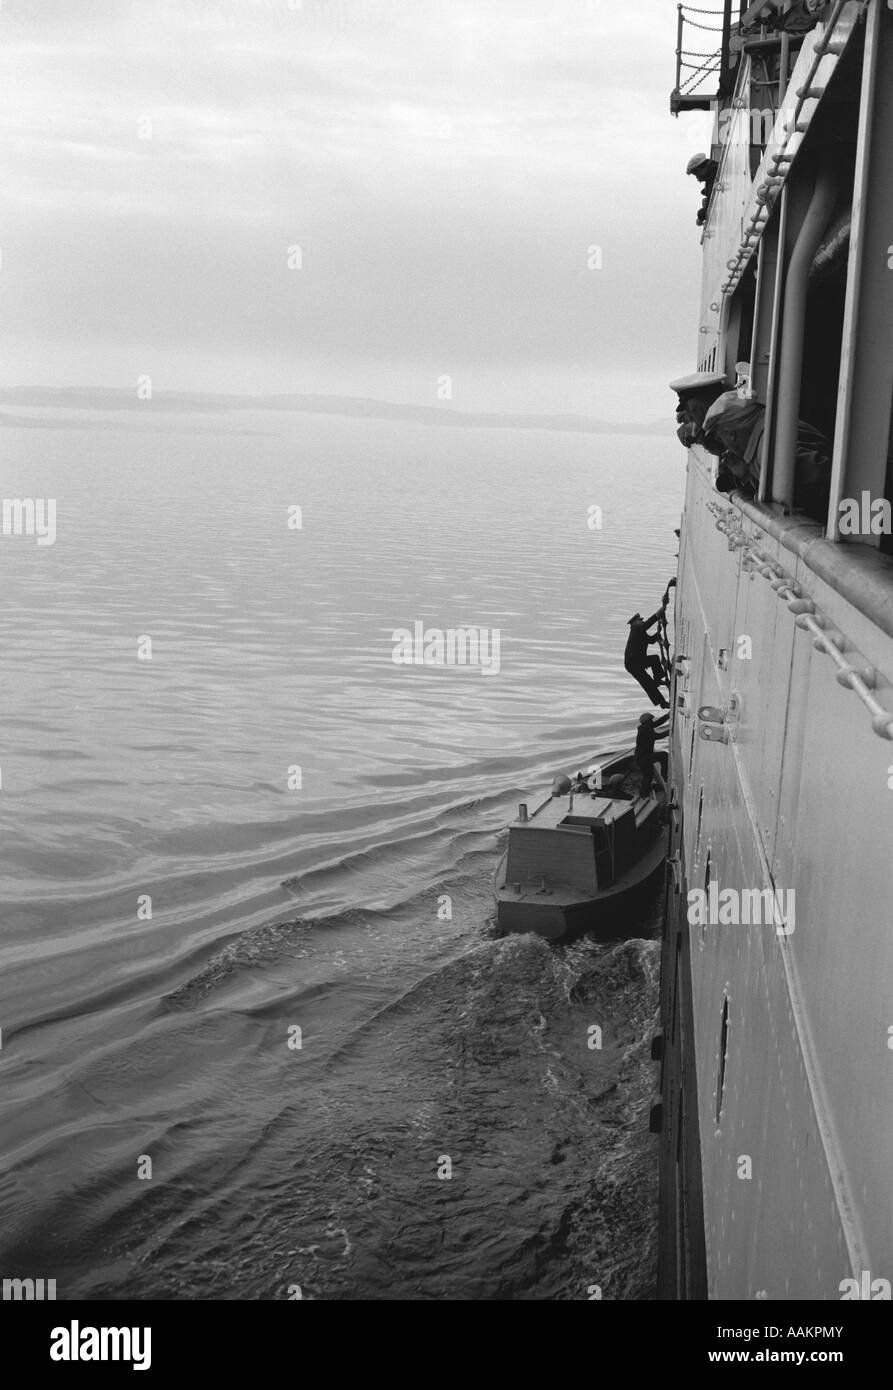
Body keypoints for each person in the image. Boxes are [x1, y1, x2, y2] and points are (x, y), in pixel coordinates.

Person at [625, 603, 670, 708]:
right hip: (633, 663)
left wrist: (658, 633)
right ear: (635, 622)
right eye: (640, 620)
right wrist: (657, 615)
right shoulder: (637, 629)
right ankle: (661, 696)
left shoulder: (639, 632)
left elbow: (650, 641)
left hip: (635, 661)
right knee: (648, 682)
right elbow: (646, 625)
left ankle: (659, 683)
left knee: (650, 677)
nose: (642, 621)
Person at [669, 371, 727, 448]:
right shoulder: (723, 421)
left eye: (689, 408)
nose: (689, 414)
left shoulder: (732, 423)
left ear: (703, 403)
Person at [635, 712, 669, 798]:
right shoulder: (645, 730)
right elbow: (656, 736)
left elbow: (657, 723)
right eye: (650, 720)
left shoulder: (645, 727)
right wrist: (668, 732)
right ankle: (664, 774)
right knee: (664, 755)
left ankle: (643, 793)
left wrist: (666, 716)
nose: (652, 722)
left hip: (641, 757)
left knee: (648, 775)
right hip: (644, 757)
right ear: (647, 721)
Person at [687, 152, 719, 226]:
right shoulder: (713, 170)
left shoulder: (713, 170)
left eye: (696, 175)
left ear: (699, 169)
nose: (698, 179)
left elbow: (711, 200)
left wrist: (700, 217)